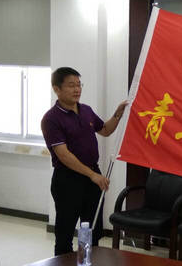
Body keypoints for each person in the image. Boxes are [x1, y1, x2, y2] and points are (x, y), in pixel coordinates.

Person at [41, 67, 127, 255]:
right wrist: (92, 175)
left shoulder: (86, 110)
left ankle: (88, 265)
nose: (77, 89)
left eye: (79, 85)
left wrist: (118, 114)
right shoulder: (51, 119)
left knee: (92, 230)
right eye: (71, 85)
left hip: (92, 178)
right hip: (68, 180)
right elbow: (64, 155)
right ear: (56, 89)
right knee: (65, 233)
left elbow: (105, 130)